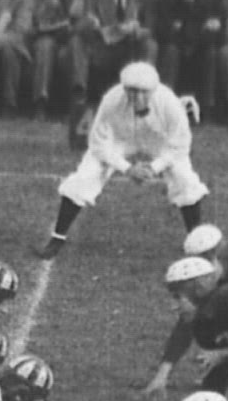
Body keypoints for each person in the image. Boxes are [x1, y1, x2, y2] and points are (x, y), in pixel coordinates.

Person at [33, 62, 209, 263]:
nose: (137, 98)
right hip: (120, 138)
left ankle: (198, 242)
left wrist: (154, 167)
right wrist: (127, 168)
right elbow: (98, 143)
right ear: (124, 89)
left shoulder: (170, 103)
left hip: (159, 140)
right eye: (132, 91)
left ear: (154, 90)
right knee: (86, 175)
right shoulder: (112, 99)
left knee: (184, 178)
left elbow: (180, 146)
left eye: (143, 92)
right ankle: (57, 238)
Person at [73, 0, 158, 146]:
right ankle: (79, 95)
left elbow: (153, 28)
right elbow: (82, 25)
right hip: (105, 46)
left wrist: (136, 29)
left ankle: (147, 95)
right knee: (78, 41)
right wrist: (92, 23)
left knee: (151, 46)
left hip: (133, 47)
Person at [152, 0, 223, 119]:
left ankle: (207, 106)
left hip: (202, 47)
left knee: (211, 53)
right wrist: (197, 28)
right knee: (170, 51)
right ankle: (165, 104)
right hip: (175, 46)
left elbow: (219, 33)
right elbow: (162, 31)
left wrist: (184, 29)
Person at [27, 0, 91, 119]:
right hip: (48, 34)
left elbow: (89, 17)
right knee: (44, 45)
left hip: (74, 35)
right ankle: (40, 101)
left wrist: (73, 26)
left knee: (76, 43)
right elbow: (34, 18)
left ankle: (78, 97)